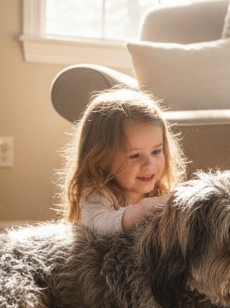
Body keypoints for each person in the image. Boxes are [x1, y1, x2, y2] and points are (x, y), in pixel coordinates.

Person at [59, 86, 187, 235]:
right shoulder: (99, 194)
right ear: (102, 159)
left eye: (156, 151)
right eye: (135, 156)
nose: (149, 164)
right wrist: (146, 207)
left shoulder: (160, 190)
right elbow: (95, 225)